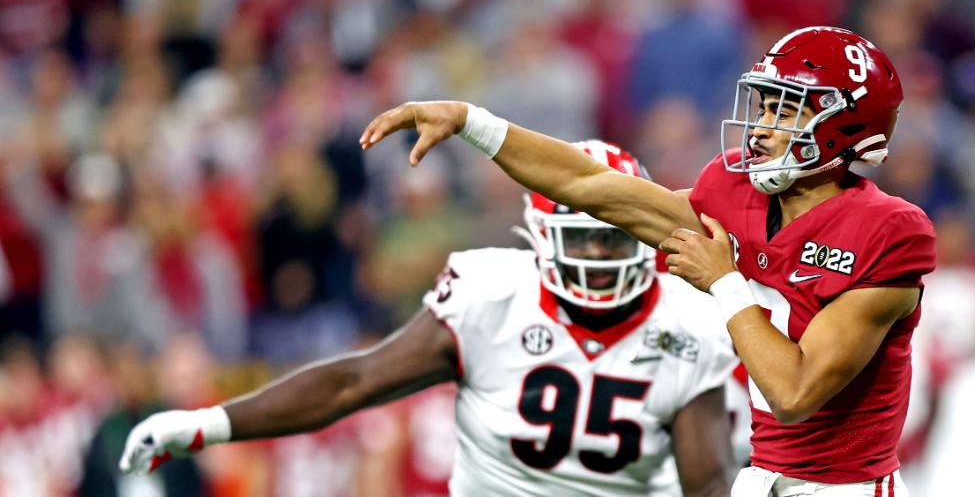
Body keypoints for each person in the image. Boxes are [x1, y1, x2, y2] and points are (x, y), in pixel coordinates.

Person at [360, 26, 936, 496]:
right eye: (763, 105)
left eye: (784, 112)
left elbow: (795, 392)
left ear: (843, 125)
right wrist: (471, 122)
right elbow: (587, 183)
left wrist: (726, 282)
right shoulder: (735, 192)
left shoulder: (888, 231)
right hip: (762, 480)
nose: (760, 128)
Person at [118, 141, 738, 497]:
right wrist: (212, 422)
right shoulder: (488, 292)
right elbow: (353, 382)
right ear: (541, 236)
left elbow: (706, 485)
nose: (601, 257)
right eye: (585, 240)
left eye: (614, 237)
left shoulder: (688, 317)